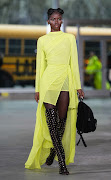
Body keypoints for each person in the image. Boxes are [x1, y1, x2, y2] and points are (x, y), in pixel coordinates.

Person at [25, 8, 84, 175]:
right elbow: (40, 67)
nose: (56, 22)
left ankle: (52, 151)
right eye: (53, 19)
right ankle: (62, 163)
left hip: (65, 81)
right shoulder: (42, 40)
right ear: (48, 21)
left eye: (59, 19)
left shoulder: (69, 39)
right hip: (48, 82)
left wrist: (78, 86)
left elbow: (74, 63)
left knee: (62, 122)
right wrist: (37, 89)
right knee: (52, 123)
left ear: (62, 21)